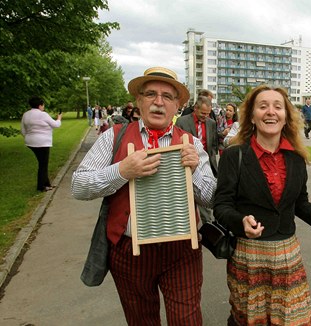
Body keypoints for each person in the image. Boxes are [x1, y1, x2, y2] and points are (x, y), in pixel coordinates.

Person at [71, 66, 216, 325]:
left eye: (167, 96)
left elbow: (211, 197)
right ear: (139, 101)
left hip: (181, 251)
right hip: (129, 253)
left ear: (177, 106)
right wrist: (121, 171)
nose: (158, 102)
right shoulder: (112, 138)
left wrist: (192, 172)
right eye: (150, 94)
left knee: (187, 319)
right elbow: (79, 186)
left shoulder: (191, 143)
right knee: (141, 320)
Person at [214, 85, 311, 326]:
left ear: (287, 116)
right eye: (263, 106)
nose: (271, 112)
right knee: (250, 320)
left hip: (288, 254)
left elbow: (299, 202)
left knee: (293, 319)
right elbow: (221, 205)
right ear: (251, 116)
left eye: (277, 106)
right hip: (249, 254)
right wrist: (240, 221)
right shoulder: (234, 155)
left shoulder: (297, 158)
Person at [176, 95, 219, 225]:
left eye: (207, 113)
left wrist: (212, 157)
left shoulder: (211, 123)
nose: (205, 116)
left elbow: (214, 142)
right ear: (195, 108)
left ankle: (209, 225)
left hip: (207, 164)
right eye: (202, 113)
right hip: (187, 163)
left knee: (207, 195)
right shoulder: (182, 121)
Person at [21, 96, 62, 192]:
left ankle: (47, 183)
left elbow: (22, 130)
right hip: (42, 143)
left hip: (30, 142)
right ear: (40, 105)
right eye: (43, 105)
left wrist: (30, 137)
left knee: (42, 162)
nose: (43, 107)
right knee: (43, 164)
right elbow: (56, 125)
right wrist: (59, 118)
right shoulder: (43, 115)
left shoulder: (26, 115)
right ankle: (41, 187)